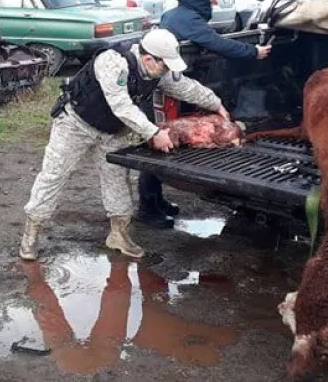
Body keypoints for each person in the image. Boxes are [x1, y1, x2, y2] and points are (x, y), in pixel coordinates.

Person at [18, 29, 230, 261]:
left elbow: (186, 87)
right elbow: (121, 106)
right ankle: (31, 233)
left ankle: (118, 234)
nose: (167, 71)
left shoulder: (158, 71)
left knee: (117, 180)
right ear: (149, 59)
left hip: (113, 132)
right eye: (165, 66)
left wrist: (216, 104)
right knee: (53, 175)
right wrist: (154, 132)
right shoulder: (113, 61)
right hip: (75, 124)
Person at [136, 0, 272, 229]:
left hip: (173, 88)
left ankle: (156, 201)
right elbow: (217, 43)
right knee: (158, 144)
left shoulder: (178, 15)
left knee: (167, 142)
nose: (215, 3)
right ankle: (147, 208)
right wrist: (253, 51)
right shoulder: (187, 19)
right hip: (168, 91)